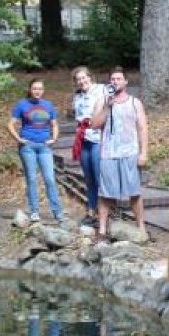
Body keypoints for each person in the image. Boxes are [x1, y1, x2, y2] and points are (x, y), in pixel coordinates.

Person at [91, 67, 149, 238]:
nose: (115, 82)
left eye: (119, 79)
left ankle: (141, 226)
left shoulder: (135, 102)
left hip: (130, 152)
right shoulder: (102, 101)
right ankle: (102, 228)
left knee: (134, 192)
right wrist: (106, 107)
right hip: (108, 153)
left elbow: (142, 128)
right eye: (113, 79)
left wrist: (143, 153)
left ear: (126, 82)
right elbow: (94, 124)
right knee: (106, 193)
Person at [7, 79, 64, 224]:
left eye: (40, 89)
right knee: (31, 179)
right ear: (30, 89)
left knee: (50, 179)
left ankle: (57, 212)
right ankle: (34, 212)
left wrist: (54, 138)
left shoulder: (48, 105)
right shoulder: (22, 105)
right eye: (34, 88)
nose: (37, 91)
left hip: (45, 146)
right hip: (28, 147)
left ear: (43, 90)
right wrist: (19, 139)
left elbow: (54, 124)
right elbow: (10, 124)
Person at [73, 67, 107, 224]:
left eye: (83, 77)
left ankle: (105, 213)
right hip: (83, 139)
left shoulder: (101, 90)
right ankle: (91, 211)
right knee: (89, 179)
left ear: (90, 77)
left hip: (97, 138)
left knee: (99, 176)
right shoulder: (77, 96)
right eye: (78, 79)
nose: (82, 81)